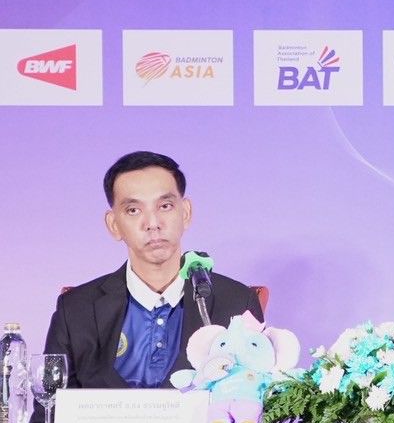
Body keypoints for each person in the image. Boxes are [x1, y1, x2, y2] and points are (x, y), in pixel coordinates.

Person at [42, 151, 265, 390]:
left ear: (186, 213)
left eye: (165, 206)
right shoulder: (75, 309)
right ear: (114, 224)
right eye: (133, 210)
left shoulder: (237, 303)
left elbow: (256, 398)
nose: (153, 223)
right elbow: (46, 407)